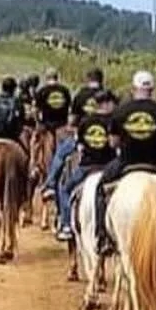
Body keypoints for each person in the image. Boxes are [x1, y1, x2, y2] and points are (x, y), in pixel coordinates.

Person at [92, 70, 156, 254]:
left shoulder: (120, 111)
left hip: (126, 164)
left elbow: (113, 143)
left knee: (101, 188)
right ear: (152, 89)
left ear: (133, 89)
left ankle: (102, 237)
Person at [59, 88, 119, 235]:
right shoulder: (115, 121)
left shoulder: (85, 121)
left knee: (64, 189)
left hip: (87, 167)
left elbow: (79, 147)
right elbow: (116, 146)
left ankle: (66, 224)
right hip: (109, 167)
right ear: (108, 103)